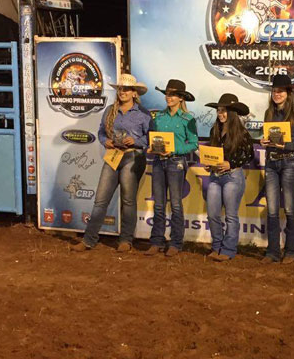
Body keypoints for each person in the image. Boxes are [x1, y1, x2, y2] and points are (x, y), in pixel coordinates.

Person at [72, 74, 151, 252]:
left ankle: (125, 240)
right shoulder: (110, 111)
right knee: (101, 199)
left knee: (128, 200)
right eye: (120, 89)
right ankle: (89, 239)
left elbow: (151, 138)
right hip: (113, 155)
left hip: (132, 156)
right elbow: (101, 132)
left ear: (134, 93)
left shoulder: (144, 114)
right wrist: (104, 141)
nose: (122, 92)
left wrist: (137, 142)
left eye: (127, 89)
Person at [260, 75, 294, 264]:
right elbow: (268, 136)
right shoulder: (268, 113)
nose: (277, 94)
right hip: (272, 163)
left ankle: (291, 250)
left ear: (289, 93)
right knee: (272, 209)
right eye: (275, 91)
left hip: (290, 162)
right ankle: (272, 251)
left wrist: (287, 145)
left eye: (281, 91)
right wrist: (263, 141)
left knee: (289, 208)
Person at [145, 80, 198, 257]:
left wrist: (174, 149)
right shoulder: (158, 117)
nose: (169, 97)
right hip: (159, 161)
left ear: (181, 98)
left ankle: (176, 242)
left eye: (173, 94)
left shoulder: (188, 119)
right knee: (159, 204)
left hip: (176, 162)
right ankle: (157, 241)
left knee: (175, 204)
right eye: (167, 94)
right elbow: (152, 138)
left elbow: (193, 144)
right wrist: (151, 147)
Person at [204, 93, 254, 261]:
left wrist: (231, 164)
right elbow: (212, 152)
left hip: (233, 176)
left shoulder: (242, 132)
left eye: (224, 110)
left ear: (232, 113)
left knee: (231, 215)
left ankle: (228, 249)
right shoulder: (215, 130)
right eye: (219, 110)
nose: (221, 114)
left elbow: (249, 155)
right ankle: (216, 246)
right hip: (215, 176)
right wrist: (208, 162)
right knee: (212, 214)